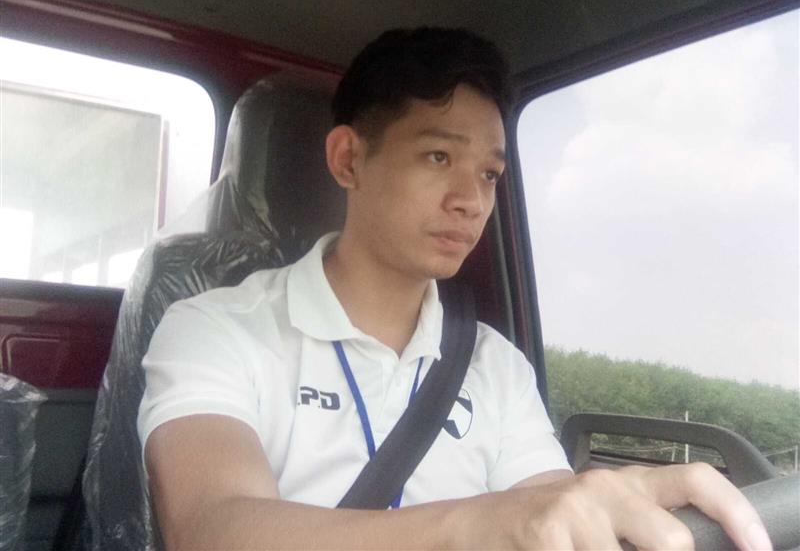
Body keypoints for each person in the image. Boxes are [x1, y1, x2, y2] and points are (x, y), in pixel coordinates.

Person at [138, 27, 771, 550]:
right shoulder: (215, 327)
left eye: (490, 174)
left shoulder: (497, 366)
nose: (471, 200)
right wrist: (480, 523)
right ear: (348, 160)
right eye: (439, 157)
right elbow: (212, 527)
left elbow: (546, 505)